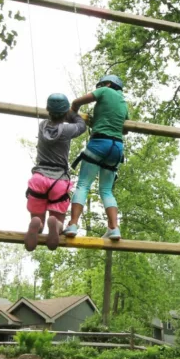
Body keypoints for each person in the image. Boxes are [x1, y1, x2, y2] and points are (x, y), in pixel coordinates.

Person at [63, 75, 129, 240]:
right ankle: (114, 228)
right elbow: (125, 129)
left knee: (83, 185)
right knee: (106, 190)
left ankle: (72, 224)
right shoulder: (123, 102)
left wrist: (73, 115)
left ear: (107, 84)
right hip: (117, 148)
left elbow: (77, 102)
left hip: (99, 143)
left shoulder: (104, 90)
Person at [24, 93, 87, 252]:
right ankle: (56, 225)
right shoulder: (67, 129)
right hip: (59, 180)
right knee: (58, 221)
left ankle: (37, 225)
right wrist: (71, 112)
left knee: (37, 218)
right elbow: (82, 125)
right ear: (64, 113)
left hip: (39, 178)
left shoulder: (42, 125)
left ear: (48, 110)